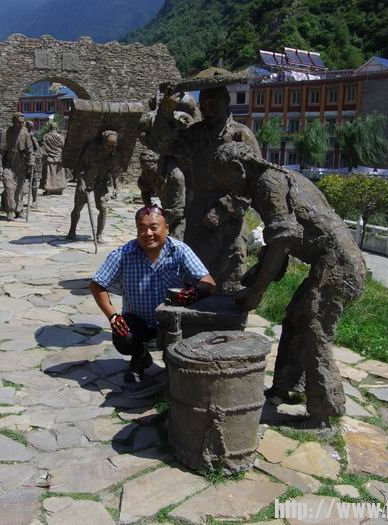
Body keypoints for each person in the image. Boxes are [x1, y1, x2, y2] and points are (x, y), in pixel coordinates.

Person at [209, 142, 367, 425]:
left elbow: (284, 239)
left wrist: (258, 291)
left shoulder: (268, 184)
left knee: (313, 329)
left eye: (227, 180)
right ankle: (288, 388)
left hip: (338, 265)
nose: (229, 189)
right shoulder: (274, 179)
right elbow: (283, 236)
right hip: (330, 262)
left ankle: (325, 412)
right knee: (296, 317)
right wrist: (260, 271)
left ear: (238, 168)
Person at [142, 82, 261, 294]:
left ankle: (227, 324)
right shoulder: (195, 134)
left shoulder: (240, 135)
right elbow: (162, 144)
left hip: (229, 217)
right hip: (197, 211)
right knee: (195, 276)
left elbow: (254, 181)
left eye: (213, 103)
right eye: (203, 104)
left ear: (226, 103)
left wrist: (223, 209)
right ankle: (192, 324)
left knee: (230, 275)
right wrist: (167, 109)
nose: (207, 108)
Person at [90, 205, 216, 382]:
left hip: (172, 320)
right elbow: (97, 285)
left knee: (176, 363)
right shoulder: (124, 254)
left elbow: (208, 282)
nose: (147, 233)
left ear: (166, 228)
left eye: (153, 227)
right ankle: (140, 356)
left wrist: (194, 293)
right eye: (141, 228)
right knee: (123, 337)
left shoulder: (179, 250)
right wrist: (112, 317)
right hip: (138, 321)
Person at [67, 130, 119, 243]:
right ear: (103, 141)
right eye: (108, 145)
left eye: (112, 146)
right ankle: (72, 231)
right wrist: (81, 182)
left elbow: (115, 172)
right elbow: (80, 167)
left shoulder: (114, 153)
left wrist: (115, 187)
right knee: (78, 207)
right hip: (86, 179)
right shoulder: (91, 149)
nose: (110, 148)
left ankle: (99, 234)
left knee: (103, 207)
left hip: (101, 181)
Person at [0, 112, 35, 220]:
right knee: (9, 188)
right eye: (18, 123)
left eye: (22, 123)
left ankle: (19, 209)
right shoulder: (5, 133)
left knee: (20, 189)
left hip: (20, 165)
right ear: (14, 122)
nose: (21, 125)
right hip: (8, 165)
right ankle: (10, 210)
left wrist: (31, 161)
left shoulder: (25, 134)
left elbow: (30, 150)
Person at [41, 120, 67, 195]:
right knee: (59, 174)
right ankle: (59, 189)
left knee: (49, 174)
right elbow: (63, 146)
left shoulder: (46, 136)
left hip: (50, 157)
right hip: (59, 157)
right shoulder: (61, 137)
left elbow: (43, 148)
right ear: (56, 128)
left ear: (50, 128)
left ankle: (49, 189)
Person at [26, 120, 42, 209]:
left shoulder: (32, 136)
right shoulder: (23, 134)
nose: (30, 127)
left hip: (32, 161)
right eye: (29, 126)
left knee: (34, 183)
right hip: (23, 161)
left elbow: (37, 149)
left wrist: (32, 157)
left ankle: (34, 200)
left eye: (31, 126)